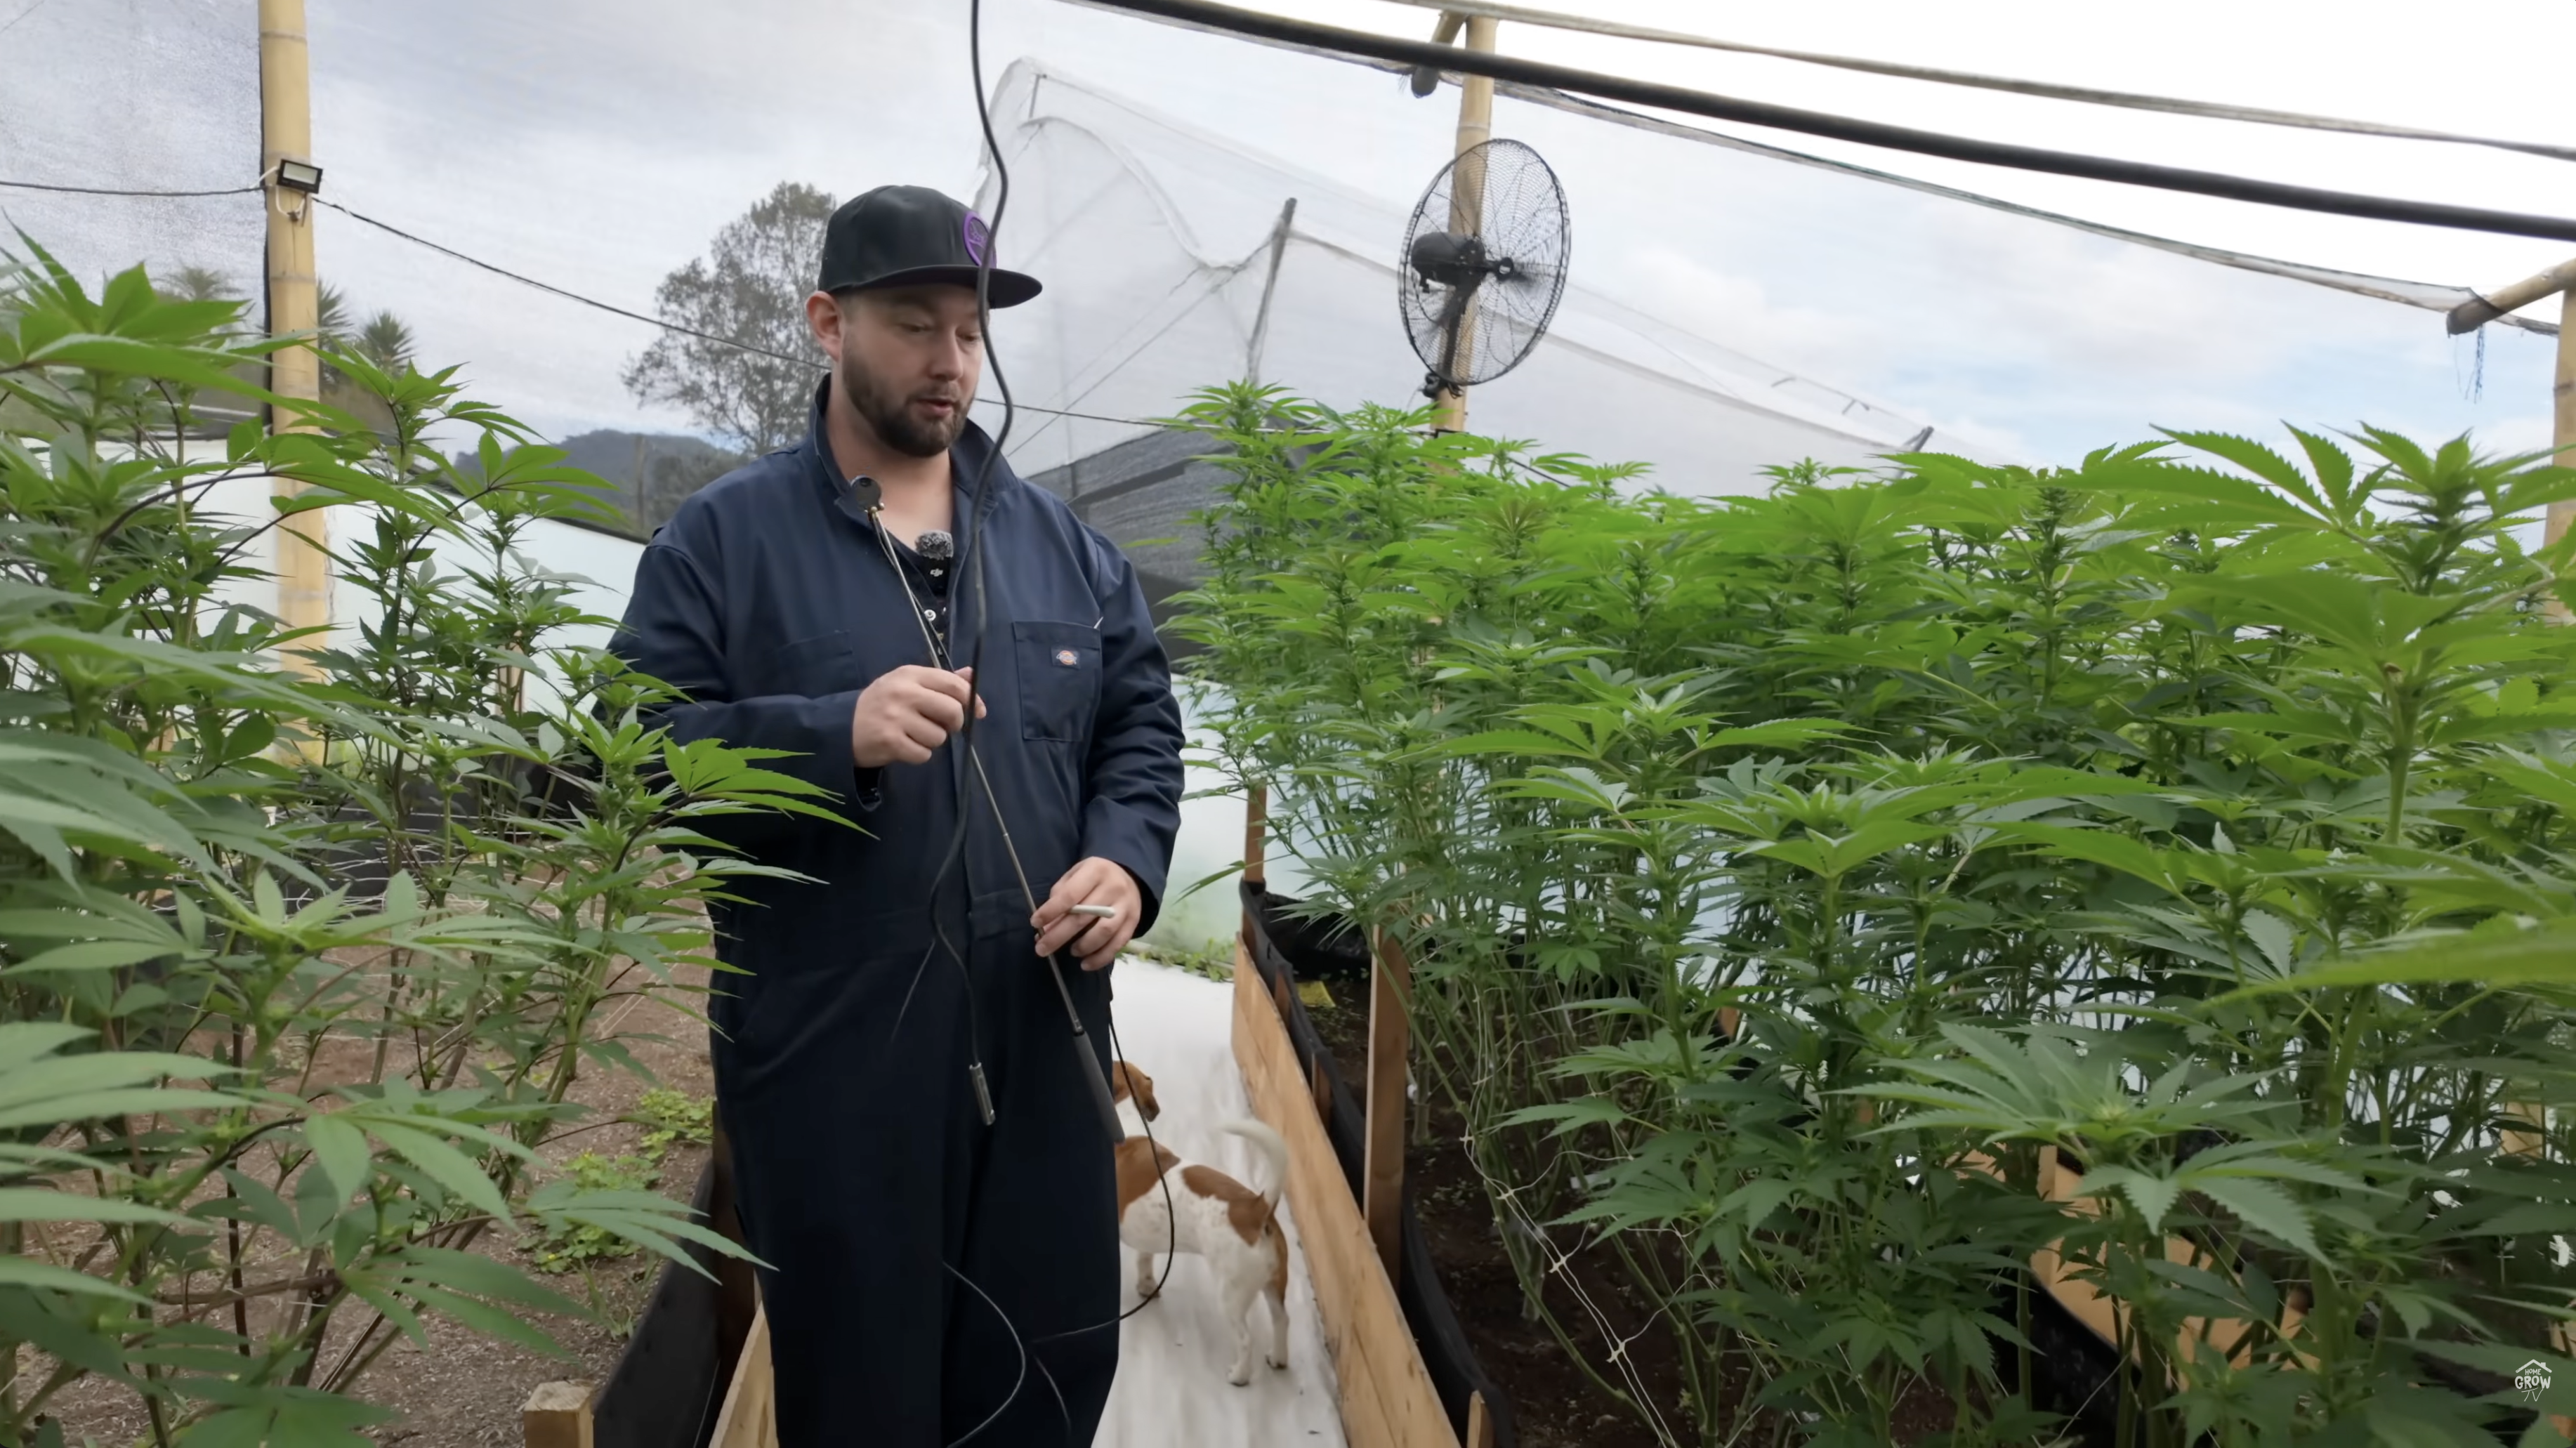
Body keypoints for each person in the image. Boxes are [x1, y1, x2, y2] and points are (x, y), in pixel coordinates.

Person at [608, 183, 1185, 1446]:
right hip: (832, 1060)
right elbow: (636, 753)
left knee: (1046, 1369)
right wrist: (830, 736)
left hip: (1041, 1037)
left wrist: (1122, 860)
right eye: (916, 324)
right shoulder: (724, 543)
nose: (951, 360)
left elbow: (1139, 723)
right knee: (862, 1392)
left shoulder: (1061, 550)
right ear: (828, 320)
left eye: (971, 330)